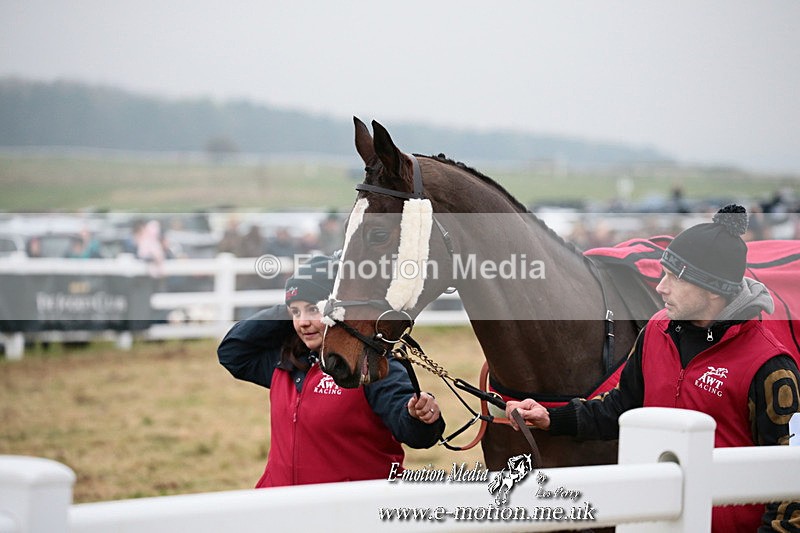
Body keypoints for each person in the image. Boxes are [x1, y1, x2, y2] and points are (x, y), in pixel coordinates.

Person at [506, 205, 800, 533]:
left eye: (675, 277)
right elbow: (621, 408)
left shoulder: (771, 366)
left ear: (713, 289)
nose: (661, 287)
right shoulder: (656, 331)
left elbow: (791, 481)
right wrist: (551, 418)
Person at [217, 254, 445, 487]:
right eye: (294, 313)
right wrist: (296, 300)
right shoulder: (286, 362)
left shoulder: (369, 364)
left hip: (349, 513)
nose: (303, 322)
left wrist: (419, 417)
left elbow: (414, 433)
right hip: (281, 508)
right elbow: (232, 351)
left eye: (313, 309)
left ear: (338, 309)